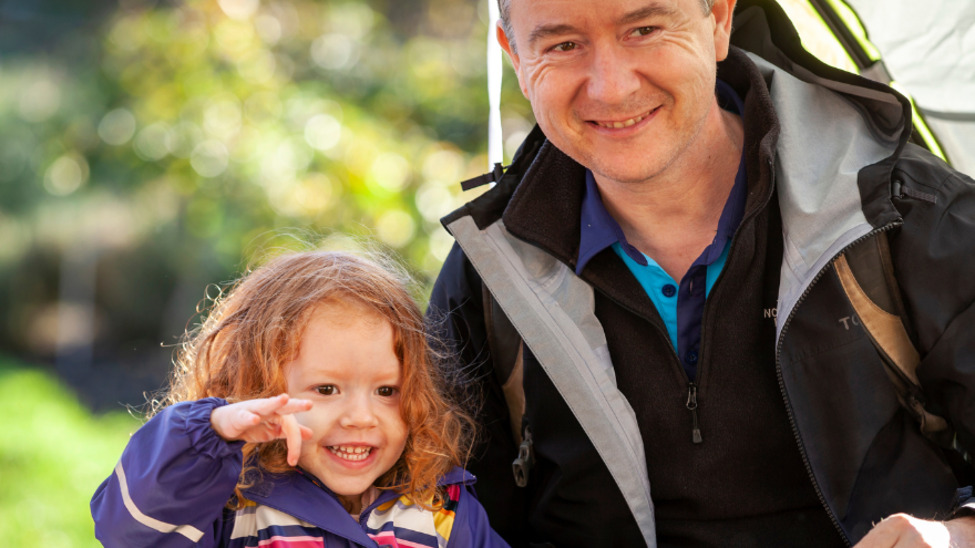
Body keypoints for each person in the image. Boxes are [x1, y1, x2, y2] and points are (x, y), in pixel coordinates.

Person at [427, 0, 975, 546]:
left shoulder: (909, 216)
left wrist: (956, 535)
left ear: (718, 19)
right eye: (563, 45)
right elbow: (434, 514)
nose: (612, 87)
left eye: (643, 29)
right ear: (517, 60)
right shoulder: (490, 278)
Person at [91, 250, 508, 548]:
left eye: (387, 391)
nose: (361, 417)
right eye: (327, 389)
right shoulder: (232, 506)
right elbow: (130, 532)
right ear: (258, 388)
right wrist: (211, 431)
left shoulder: (442, 511)